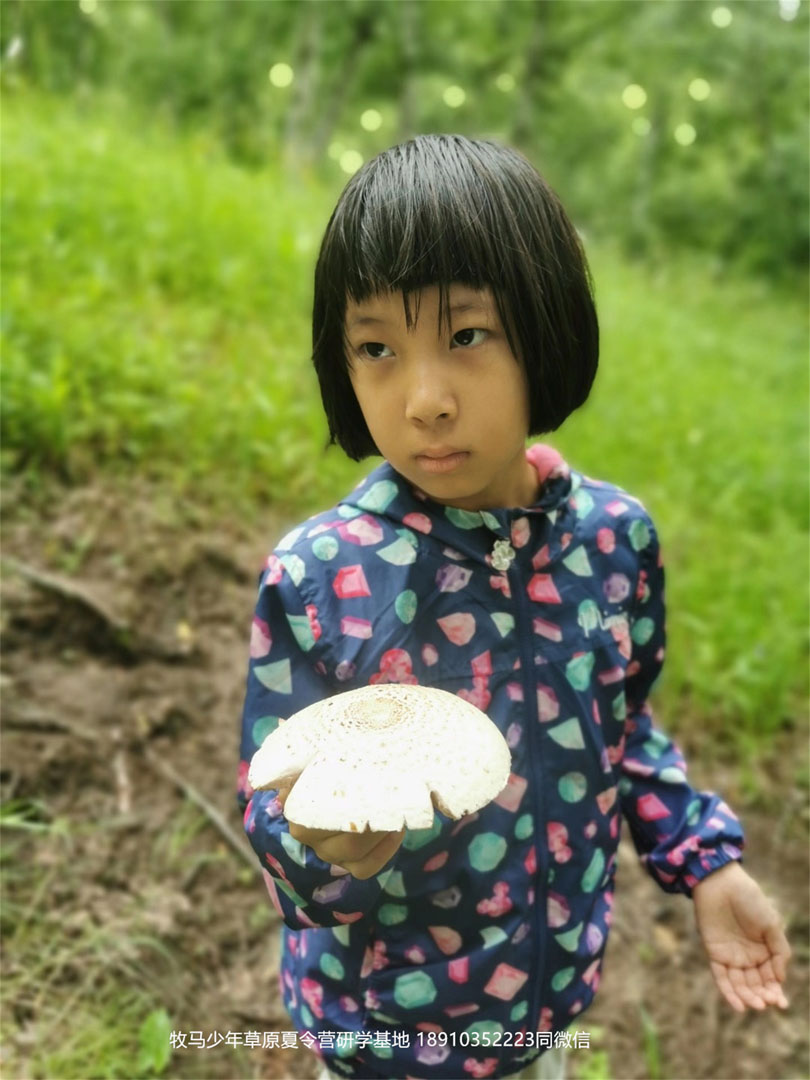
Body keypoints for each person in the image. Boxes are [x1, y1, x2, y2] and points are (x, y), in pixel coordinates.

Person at [237, 135, 790, 1080]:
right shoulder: (323, 575)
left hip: (544, 1009)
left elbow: (622, 724)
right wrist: (328, 846)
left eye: (466, 335)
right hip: (386, 1036)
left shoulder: (614, 542)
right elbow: (278, 810)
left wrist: (705, 860)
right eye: (376, 347)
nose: (424, 400)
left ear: (545, 328)